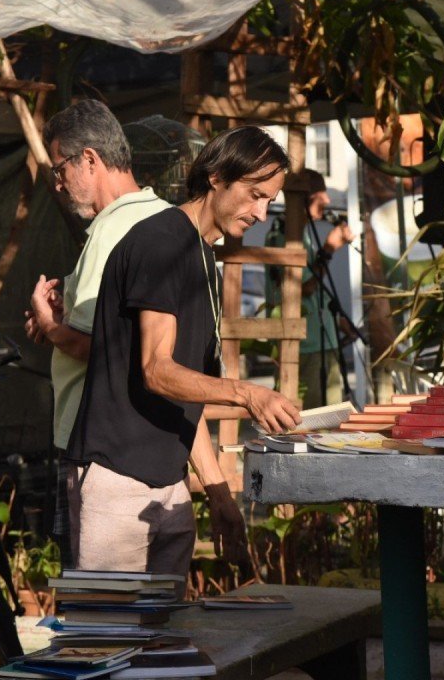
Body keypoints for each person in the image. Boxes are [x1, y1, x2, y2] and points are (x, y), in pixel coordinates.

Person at [66, 125, 302, 578]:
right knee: (102, 638)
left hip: (169, 486)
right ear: (216, 176)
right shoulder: (160, 244)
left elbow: (182, 397)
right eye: (255, 194)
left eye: (270, 200)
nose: (261, 213)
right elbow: (157, 370)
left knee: (163, 642)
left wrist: (218, 493)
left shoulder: (204, 262)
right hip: (117, 482)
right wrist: (249, 395)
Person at [23, 99, 172, 562]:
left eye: (60, 168)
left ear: (89, 158)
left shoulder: (111, 232)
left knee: (98, 614)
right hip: (156, 444)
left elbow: (94, 347)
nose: (59, 183)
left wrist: (50, 326)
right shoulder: (164, 217)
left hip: (96, 446)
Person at [265, 168, 357, 409]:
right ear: (302, 198)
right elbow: (302, 288)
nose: (326, 200)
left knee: (333, 415)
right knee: (311, 420)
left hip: (322, 342)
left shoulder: (304, 233)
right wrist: (328, 249)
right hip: (303, 345)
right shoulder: (283, 235)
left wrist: (336, 321)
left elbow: (314, 291)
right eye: (319, 192)